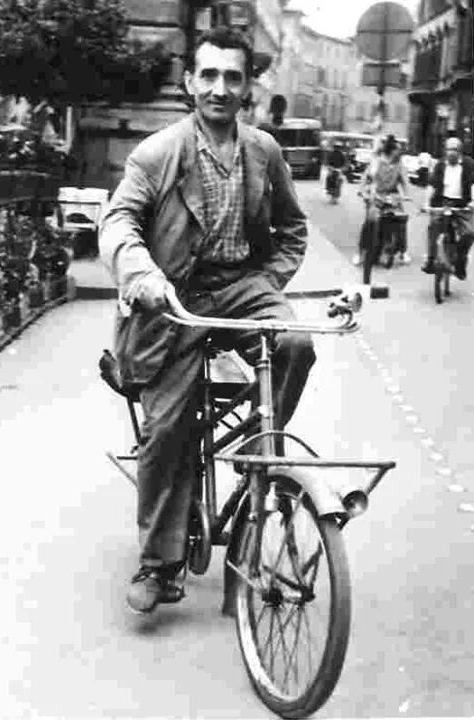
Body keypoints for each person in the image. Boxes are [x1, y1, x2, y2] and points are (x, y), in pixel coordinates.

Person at [99, 26, 315, 615]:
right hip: (173, 299)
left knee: (295, 342)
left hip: (243, 288)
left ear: (248, 87)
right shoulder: (159, 152)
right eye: (210, 75)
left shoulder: (264, 151)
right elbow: (118, 221)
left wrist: (269, 280)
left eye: (233, 77)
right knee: (168, 430)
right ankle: (159, 563)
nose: (221, 88)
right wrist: (142, 276)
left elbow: (293, 229)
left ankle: (256, 450)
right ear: (191, 82)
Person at [354, 134, 411, 266]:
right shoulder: (376, 162)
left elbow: (404, 181)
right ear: (391, 150)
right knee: (370, 221)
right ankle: (360, 252)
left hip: (392, 196)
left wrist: (406, 195)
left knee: (401, 220)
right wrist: (363, 191)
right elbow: (366, 178)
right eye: (397, 150)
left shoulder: (399, 165)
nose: (399, 153)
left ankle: (402, 252)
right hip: (376, 195)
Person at [421, 137, 474, 280]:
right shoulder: (440, 165)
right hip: (442, 203)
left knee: (469, 232)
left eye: (454, 150)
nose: (451, 153)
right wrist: (426, 203)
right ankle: (431, 259)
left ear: (460, 152)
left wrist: (472, 202)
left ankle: (460, 261)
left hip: (463, 205)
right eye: (448, 149)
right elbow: (432, 185)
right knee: (433, 226)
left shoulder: (469, 165)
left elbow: (473, 185)